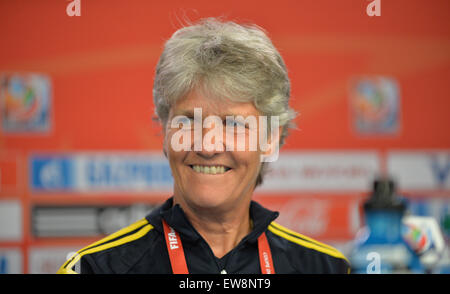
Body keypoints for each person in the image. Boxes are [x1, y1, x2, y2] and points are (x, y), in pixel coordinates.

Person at [58, 17, 350, 274]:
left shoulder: (328, 267)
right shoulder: (94, 269)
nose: (208, 146)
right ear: (165, 132)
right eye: (189, 122)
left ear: (270, 138)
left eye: (233, 124)